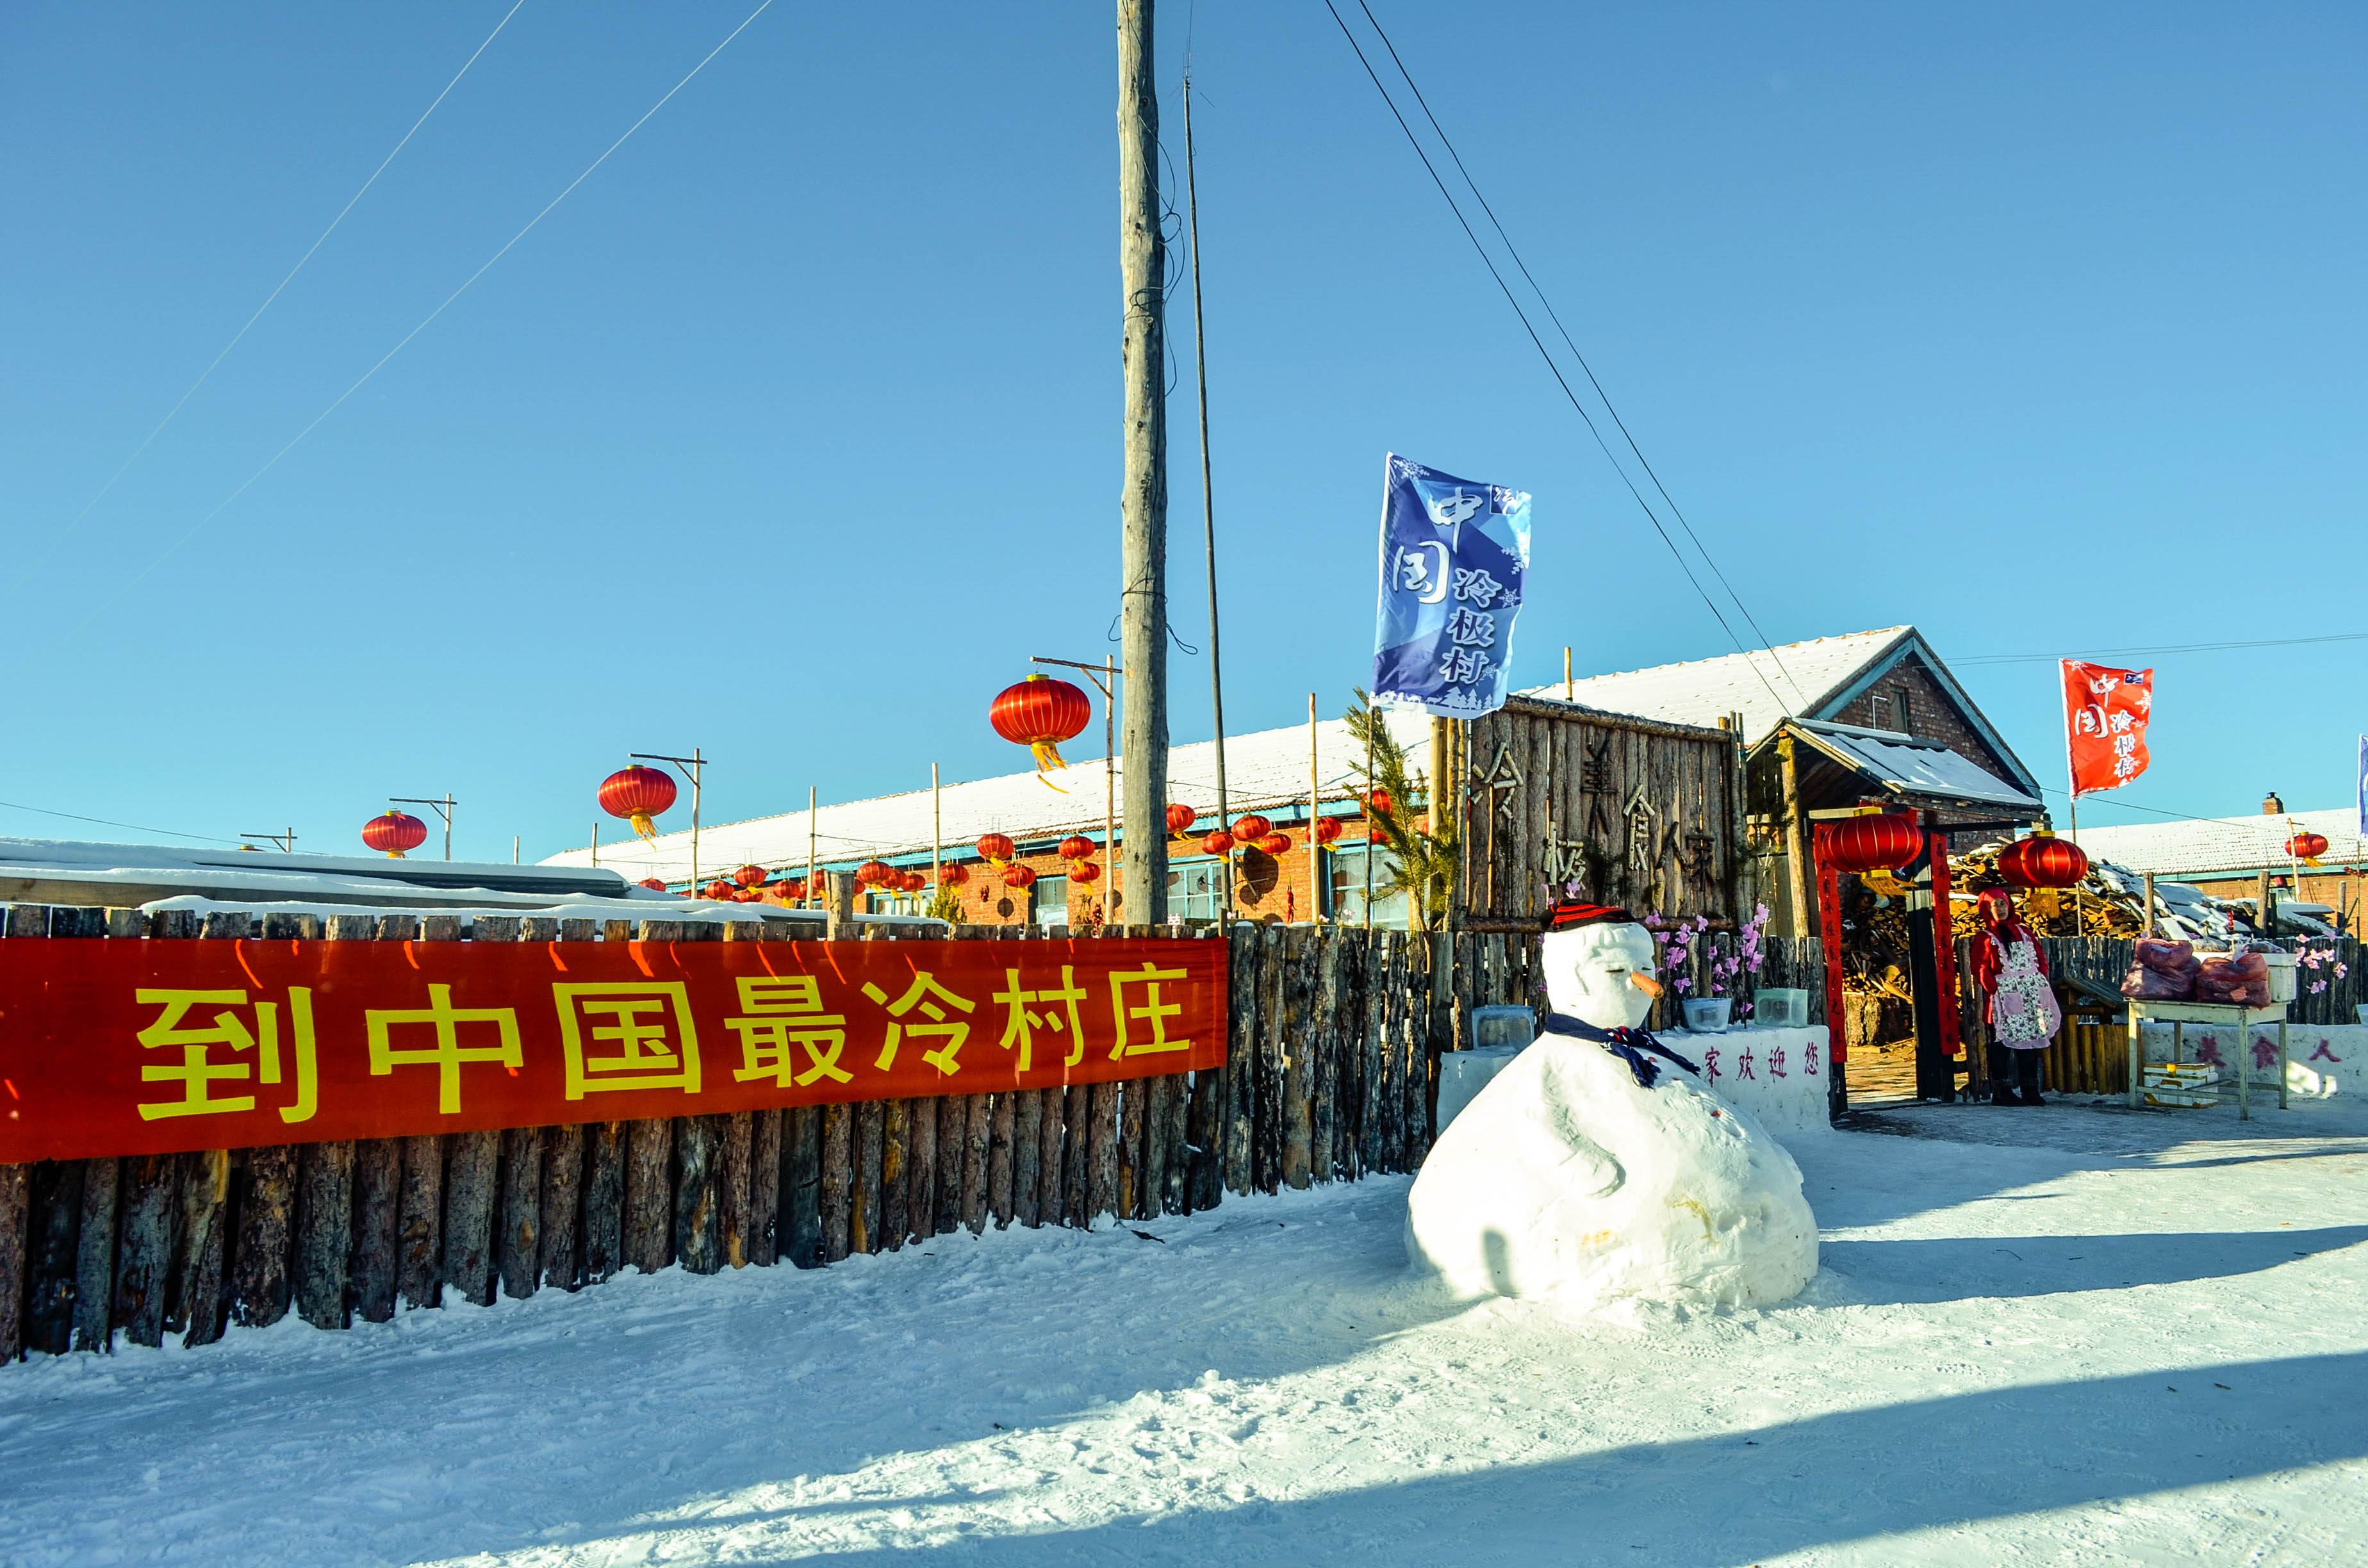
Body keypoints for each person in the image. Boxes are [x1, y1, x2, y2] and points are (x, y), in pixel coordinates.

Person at [1970, 887, 2060, 1105]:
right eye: (1995, 905)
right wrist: (1994, 988)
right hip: (2004, 995)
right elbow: (1980, 967)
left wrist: (2040, 981)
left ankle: (2030, 1088)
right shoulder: (1985, 937)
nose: (2000, 909)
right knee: (2002, 1043)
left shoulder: (2024, 931)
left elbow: (2040, 956)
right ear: (1986, 909)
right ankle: (2001, 1091)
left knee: (2031, 1040)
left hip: (2031, 993)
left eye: (2003, 904)